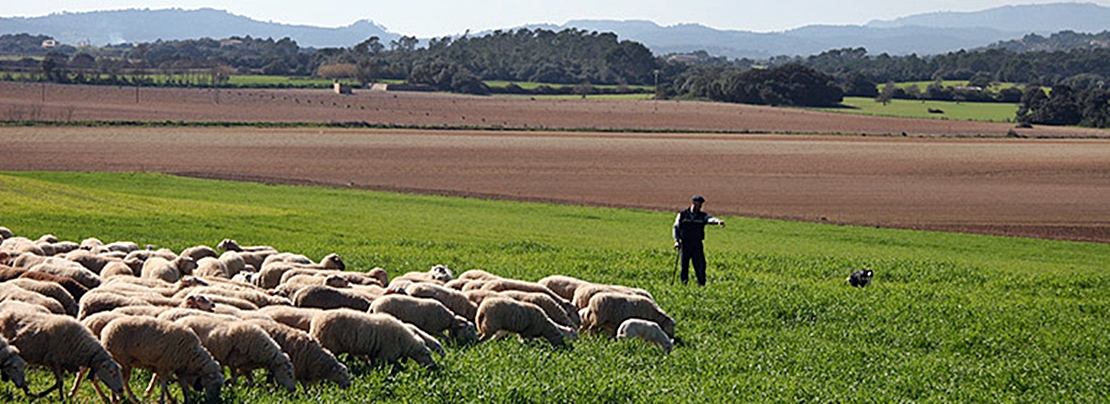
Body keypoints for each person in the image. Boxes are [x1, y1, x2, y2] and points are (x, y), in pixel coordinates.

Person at [673, 195, 724, 286]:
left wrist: (717, 221)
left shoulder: (702, 216)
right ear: (693, 203)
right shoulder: (682, 214)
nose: (700, 206)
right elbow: (676, 227)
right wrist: (676, 241)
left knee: (700, 265)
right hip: (685, 243)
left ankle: (701, 284)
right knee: (684, 266)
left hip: (697, 244)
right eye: (698, 204)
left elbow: (709, 219)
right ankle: (683, 284)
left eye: (701, 204)